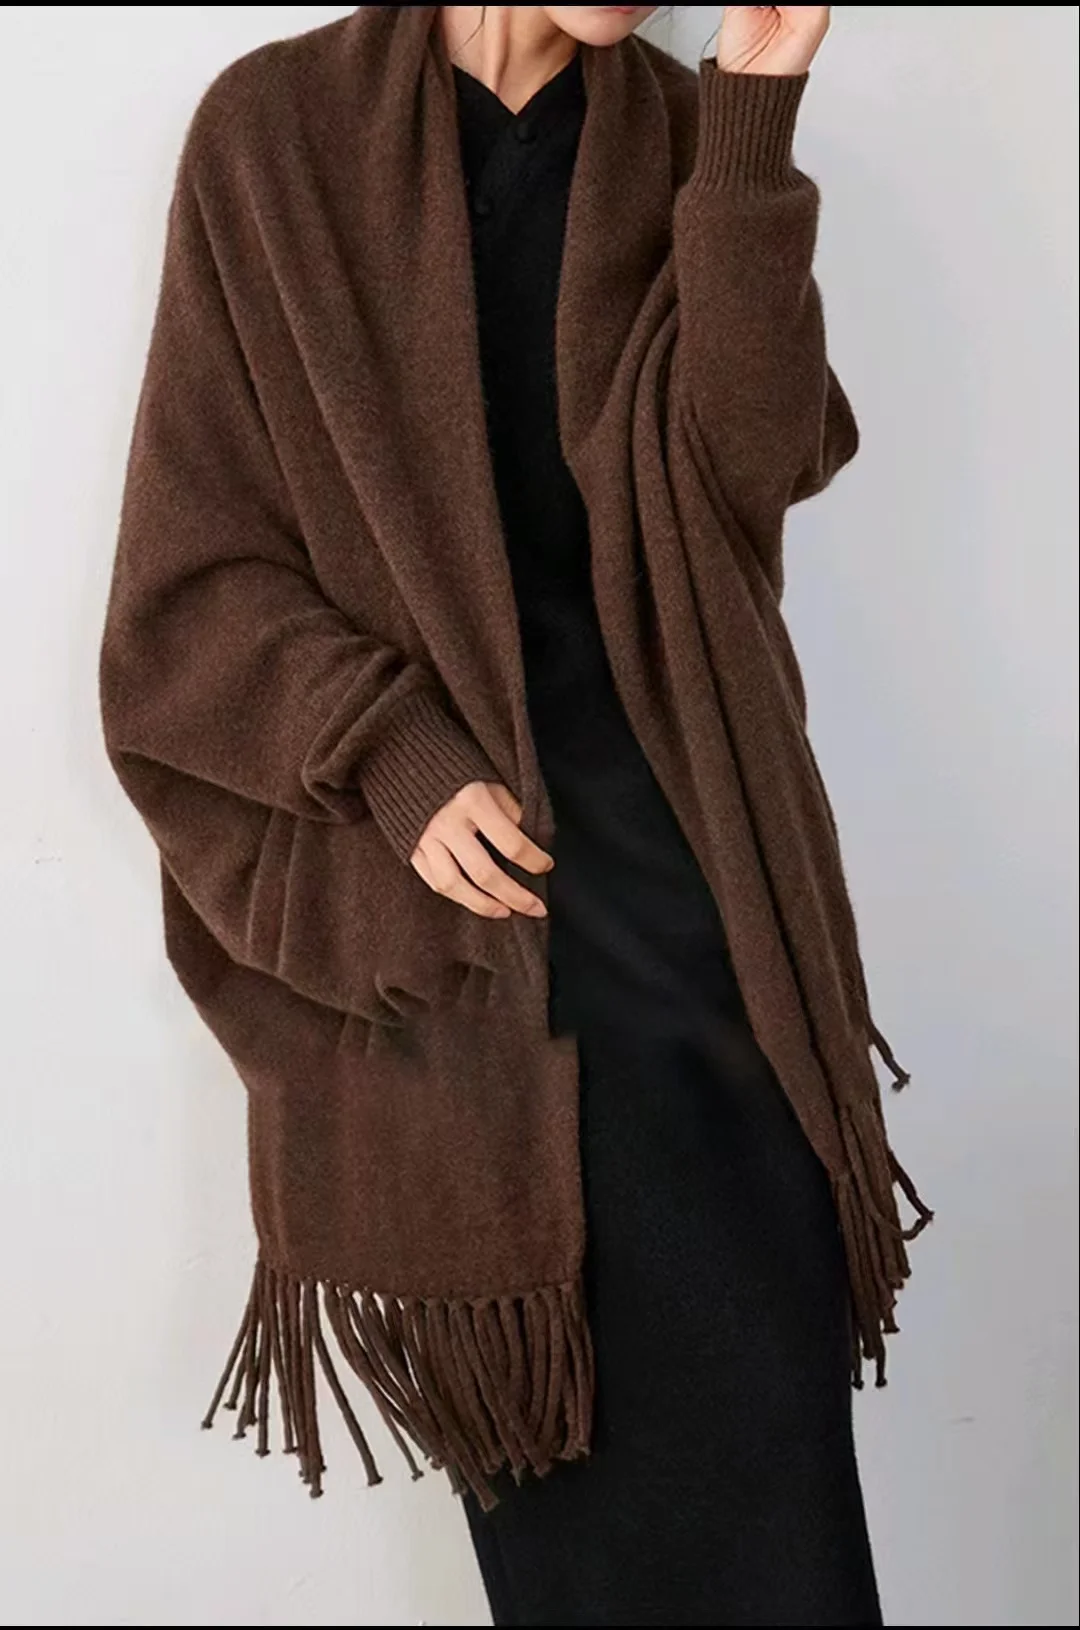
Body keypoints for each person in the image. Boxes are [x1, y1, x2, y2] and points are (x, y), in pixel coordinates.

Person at [101, 6, 930, 1625]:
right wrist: (389, 752)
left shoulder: (681, 138)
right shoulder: (272, 140)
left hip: (711, 937)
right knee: (579, 1566)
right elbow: (186, 590)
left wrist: (755, 123)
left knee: (792, 1546)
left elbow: (754, 464)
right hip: (475, 970)